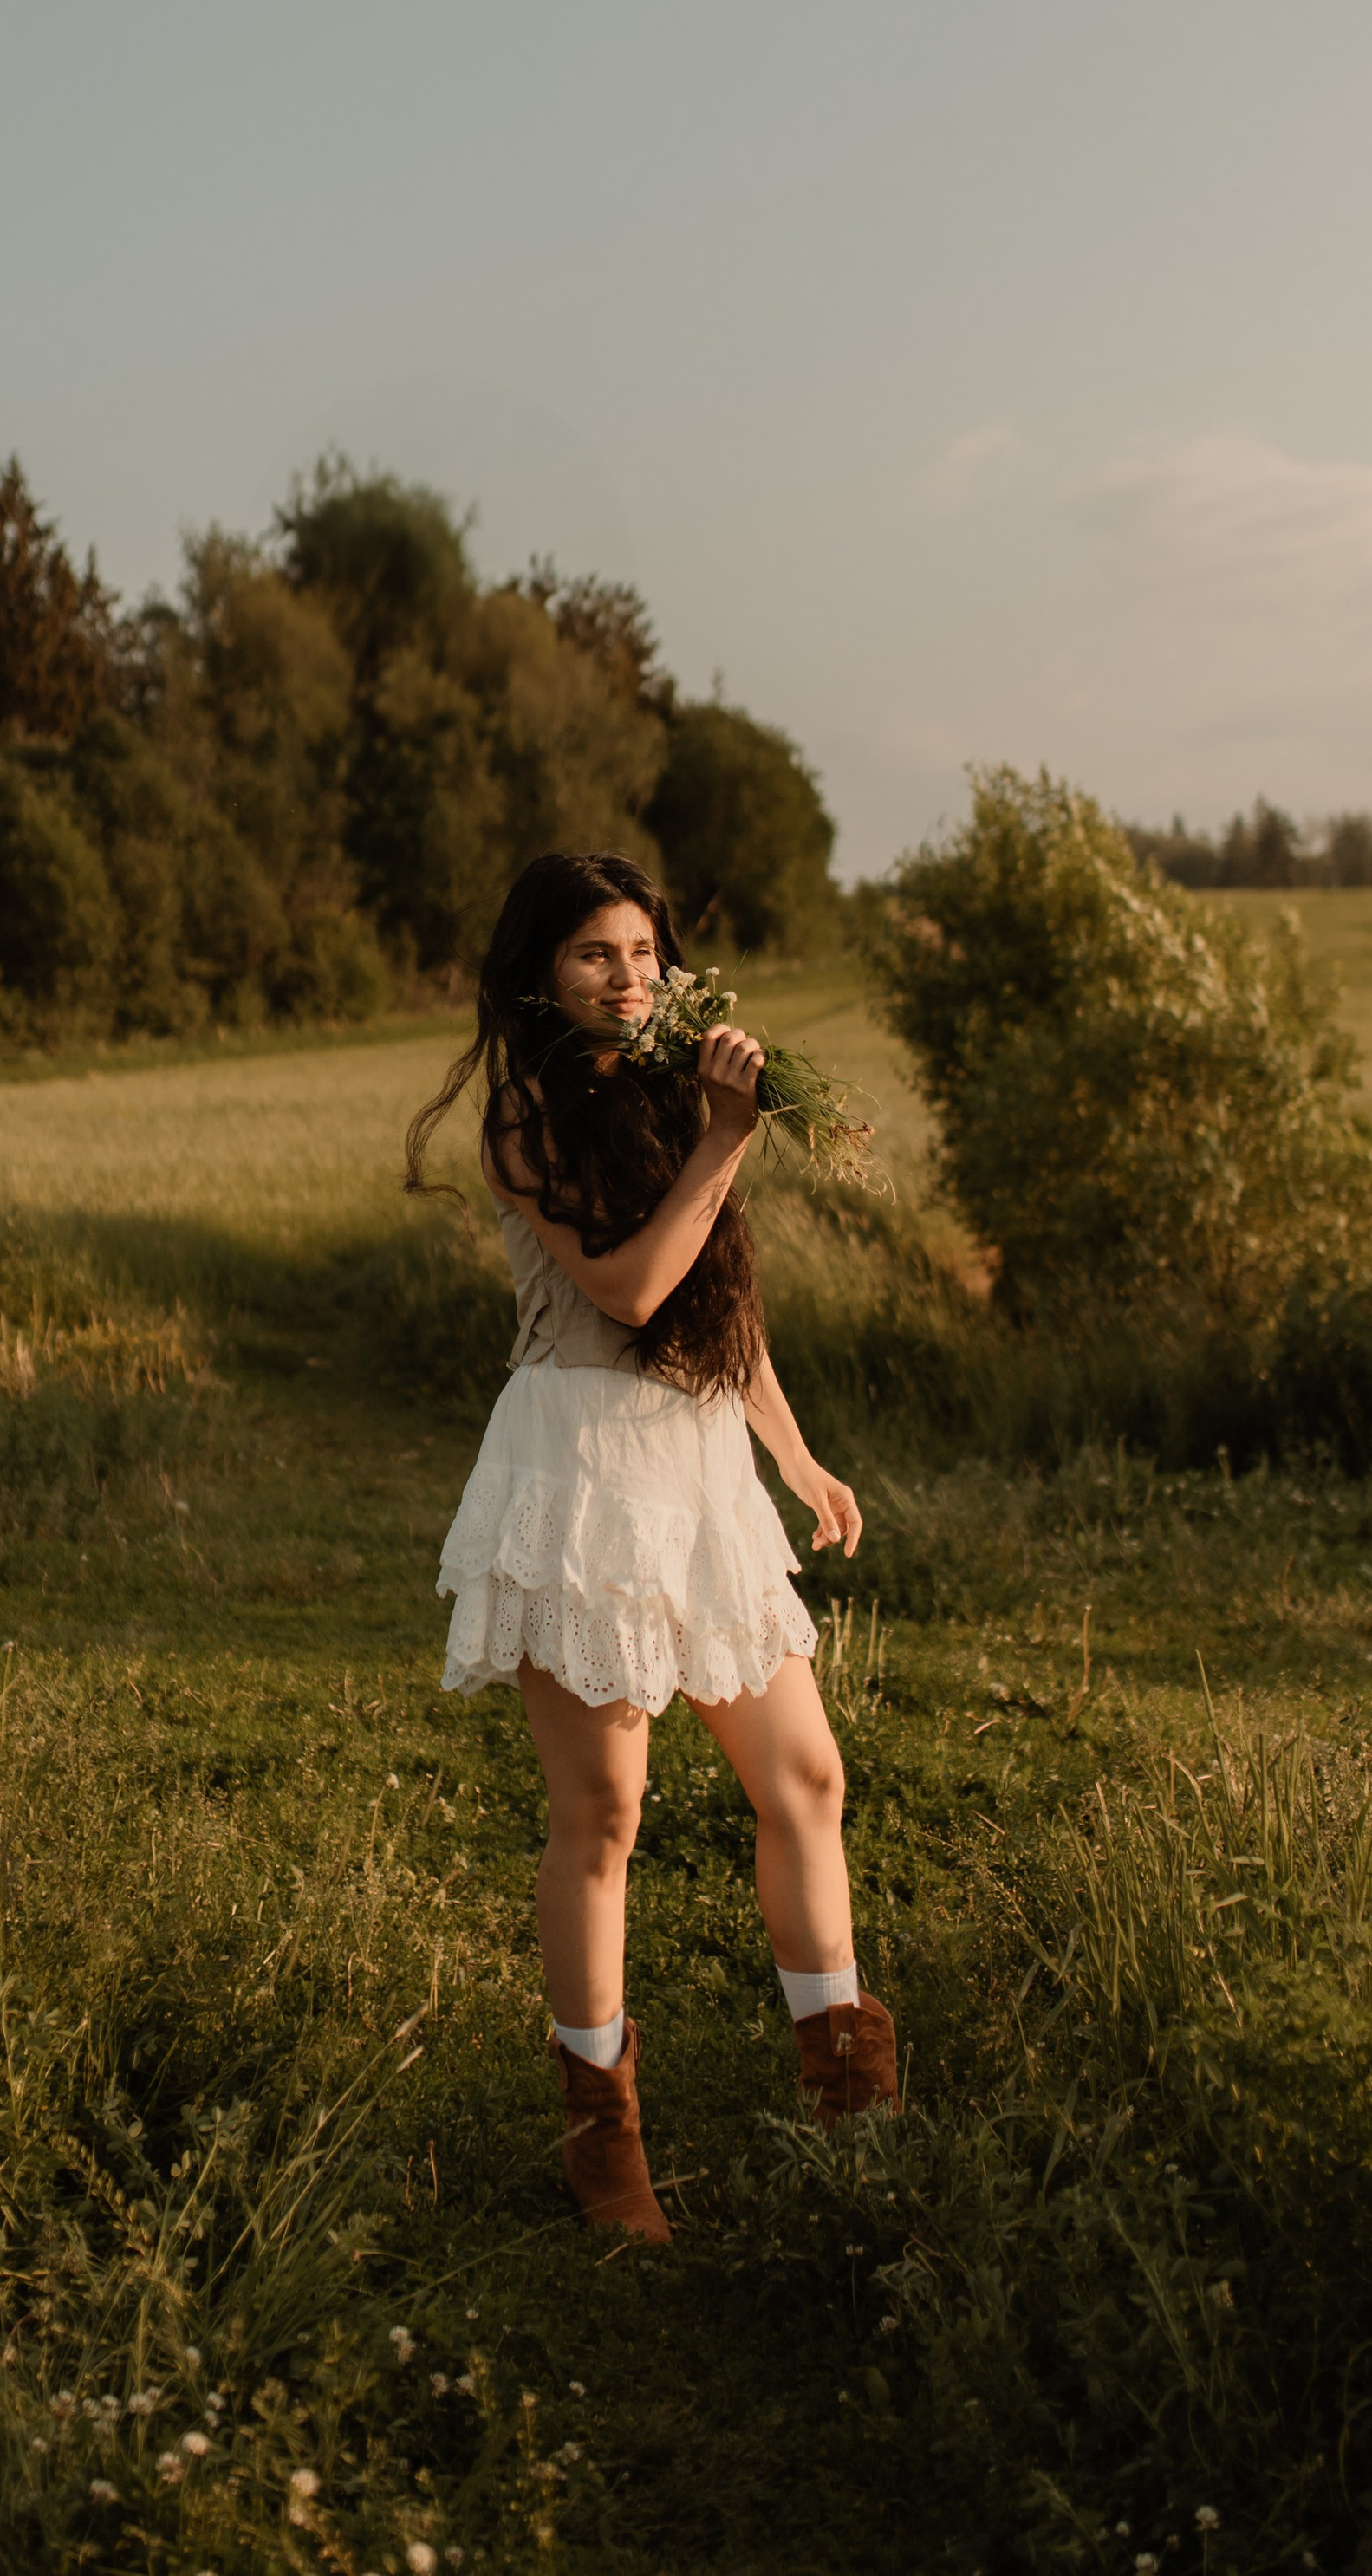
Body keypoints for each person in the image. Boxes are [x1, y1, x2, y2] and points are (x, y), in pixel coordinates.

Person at [406, 849, 898, 2246]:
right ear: (539, 977)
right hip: (580, 1467)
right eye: (593, 955)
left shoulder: (677, 1097)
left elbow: (713, 1306)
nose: (626, 979)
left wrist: (793, 1455)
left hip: (697, 1459)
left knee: (806, 1777)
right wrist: (727, 1138)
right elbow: (628, 1290)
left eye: (643, 954)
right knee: (605, 1815)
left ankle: (849, 2101)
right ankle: (602, 2139)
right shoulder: (524, 1118)